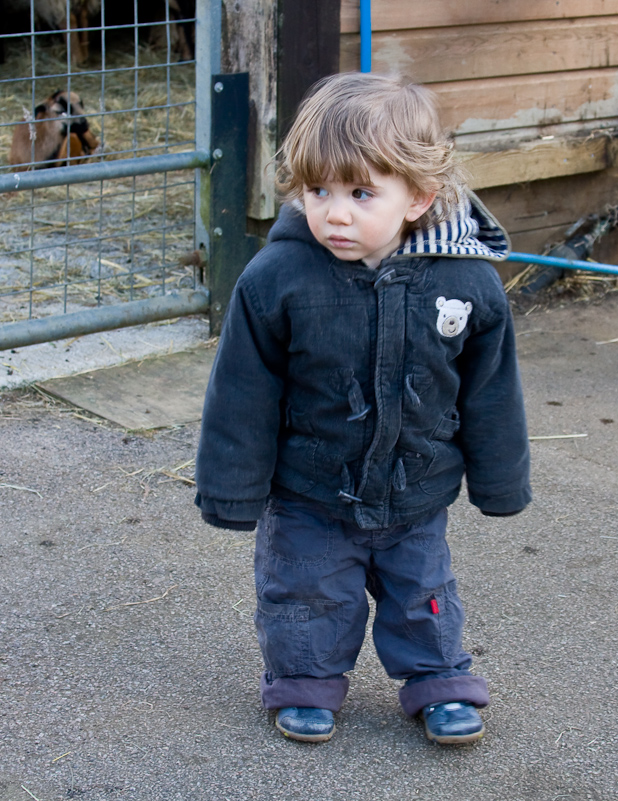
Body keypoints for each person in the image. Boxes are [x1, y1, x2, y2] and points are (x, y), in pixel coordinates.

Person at [194, 72, 532, 744]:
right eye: (316, 191)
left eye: (359, 193)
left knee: (424, 590)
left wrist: (500, 481)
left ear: (419, 197)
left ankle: (438, 680)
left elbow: (490, 389)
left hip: (416, 488)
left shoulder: (466, 283)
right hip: (309, 489)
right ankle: (306, 681)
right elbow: (241, 389)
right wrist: (231, 491)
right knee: (307, 593)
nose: (334, 213)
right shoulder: (277, 278)